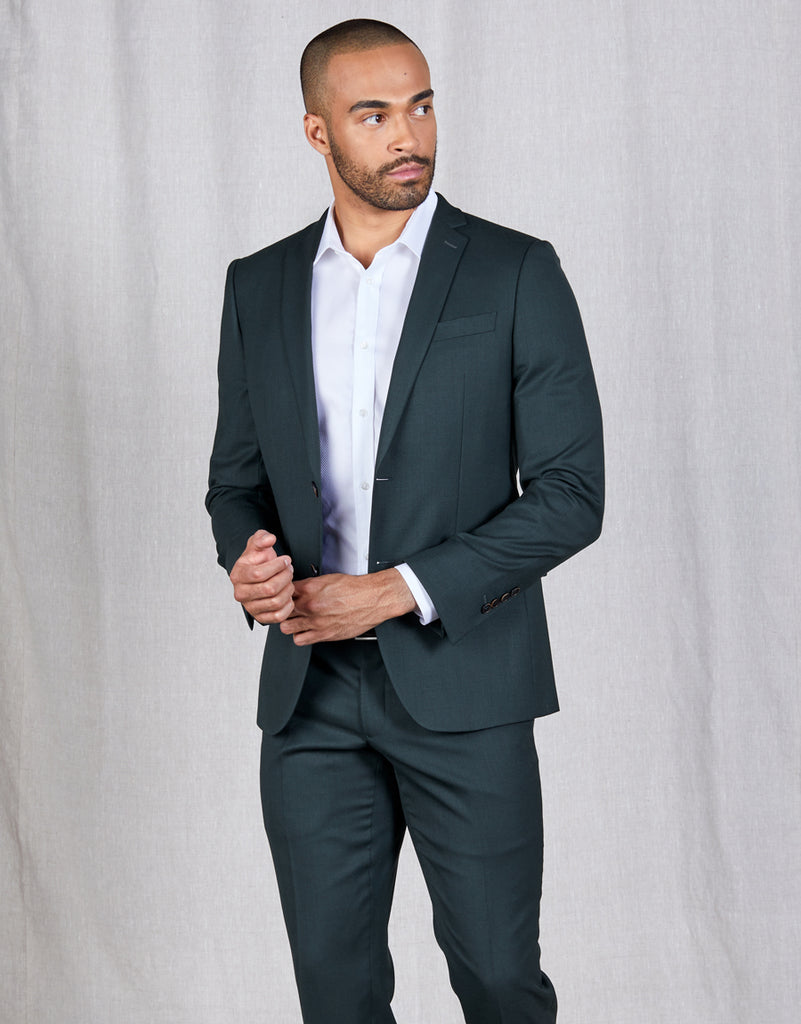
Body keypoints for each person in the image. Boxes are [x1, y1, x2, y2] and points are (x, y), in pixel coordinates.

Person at [206, 18, 603, 1024]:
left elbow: (571, 493)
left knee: (499, 980)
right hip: (309, 698)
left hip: (467, 683)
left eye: (420, 106)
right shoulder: (259, 285)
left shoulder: (515, 271)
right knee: (335, 995)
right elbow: (235, 481)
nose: (407, 135)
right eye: (374, 114)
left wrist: (394, 591)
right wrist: (247, 562)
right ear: (318, 132)